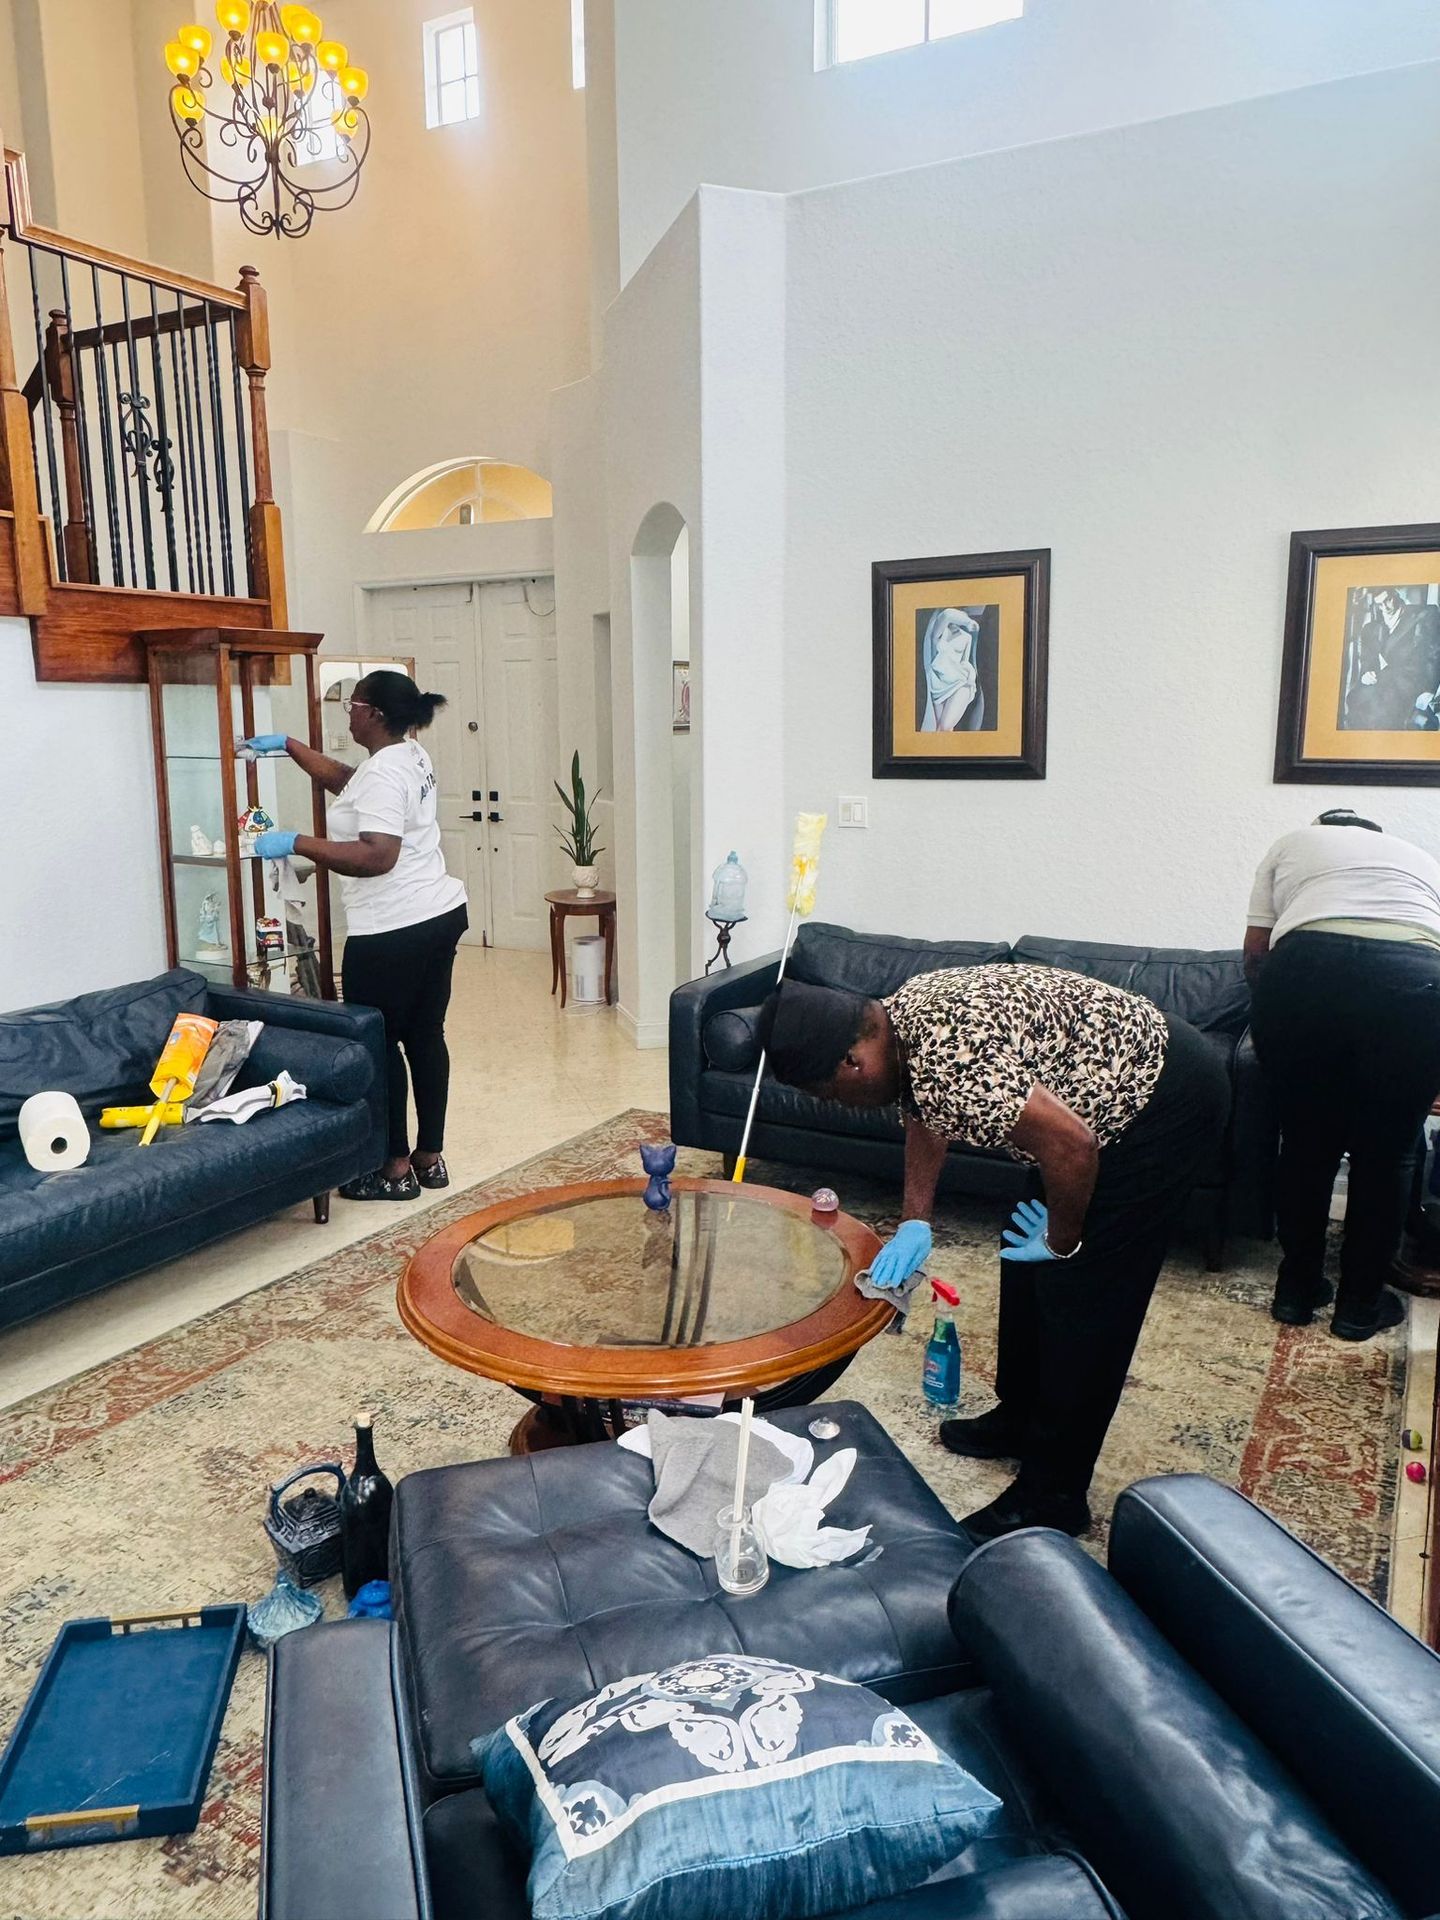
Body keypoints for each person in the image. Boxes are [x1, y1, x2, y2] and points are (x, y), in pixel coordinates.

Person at [755, 966, 1229, 1540]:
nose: (843, 1106)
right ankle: (1021, 1417)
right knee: (1021, 1257)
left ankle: (1053, 1494)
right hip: (1083, 1107)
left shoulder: (954, 1059)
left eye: (830, 1093)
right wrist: (915, 1222)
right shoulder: (899, 1025)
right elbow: (927, 1113)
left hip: (1159, 1104)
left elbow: (1075, 1147)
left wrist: (1064, 1243)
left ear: (854, 1061)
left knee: (1087, 1294)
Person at [245, 670, 468, 1201]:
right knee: (425, 1035)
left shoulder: (388, 772)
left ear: (372, 713)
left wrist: (297, 841)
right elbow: (352, 783)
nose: (346, 712)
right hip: (438, 913)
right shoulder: (406, 755)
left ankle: (392, 1170)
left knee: (381, 1041)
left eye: (352, 703)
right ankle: (429, 1158)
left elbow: (376, 855)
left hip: (392, 930)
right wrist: (293, 747)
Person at [1245, 808, 1440, 1336]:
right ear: (1376, 837)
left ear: (1322, 828)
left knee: (1307, 1145)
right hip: (1416, 979)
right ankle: (1359, 1308)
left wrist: (1279, 1013)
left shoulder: (1292, 840)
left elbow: (1256, 956)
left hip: (1306, 971)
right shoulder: (1419, 859)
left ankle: (1296, 1291)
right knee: (1390, 1153)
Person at [921, 608, 984, 732]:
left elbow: (965, 660)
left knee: (944, 728)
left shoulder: (966, 637)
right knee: (943, 730)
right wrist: (967, 621)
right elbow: (947, 615)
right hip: (938, 687)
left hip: (960, 683)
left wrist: (969, 674)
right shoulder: (939, 634)